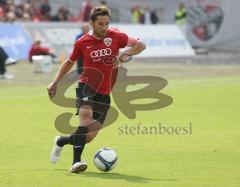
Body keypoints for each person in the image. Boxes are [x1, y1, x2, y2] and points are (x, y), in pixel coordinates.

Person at [47, 6, 146, 173]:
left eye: (107, 23)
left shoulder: (116, 36)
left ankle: (61, 141)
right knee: (84, 122)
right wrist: (54, 82)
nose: (104, 27)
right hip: (86, 87)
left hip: (105, 93)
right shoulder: (82, 42)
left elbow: (141, 45)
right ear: (92, 23)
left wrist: (123, 55)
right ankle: (76, 162)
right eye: (101, 23)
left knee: (89, 137)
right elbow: (69, 62)